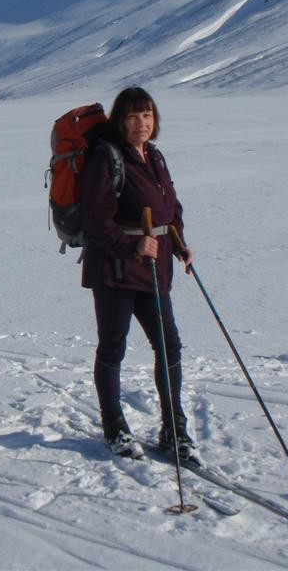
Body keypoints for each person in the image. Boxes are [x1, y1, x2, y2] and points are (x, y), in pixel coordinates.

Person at [80, 86, 194, 459]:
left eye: (146, 115)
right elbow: (95, 219)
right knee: (113, 348)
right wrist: (132, 246)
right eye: (132, 117)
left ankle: (174, 428)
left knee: (169, 345)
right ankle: (114, 427)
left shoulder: (154, 157)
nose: (141, 123)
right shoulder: (107, 157)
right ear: (120, 121)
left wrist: (178, 241)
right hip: (115, 270)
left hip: (155, 268)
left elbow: (169, 206)